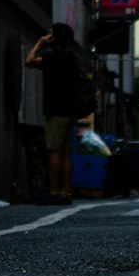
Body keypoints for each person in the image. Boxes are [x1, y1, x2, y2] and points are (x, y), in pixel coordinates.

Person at [25, 23, 83, 204]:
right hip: (71, 110)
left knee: (53, 152)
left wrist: (40, 43)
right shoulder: (72, 58)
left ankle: (54, 191)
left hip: (56, 110)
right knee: (66, 153)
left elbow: (29, 61)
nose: (48, 35)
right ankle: (66, 192)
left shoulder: (52, 58)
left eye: (50, 33)